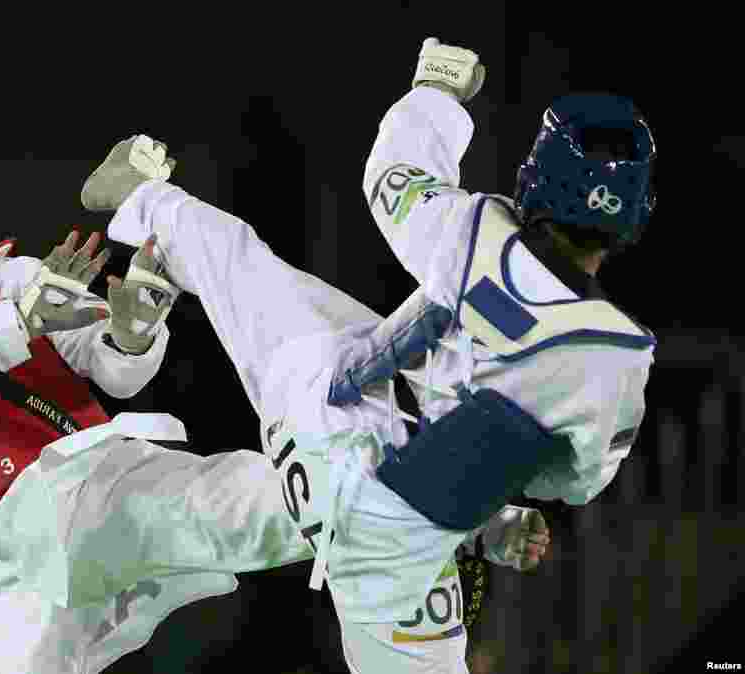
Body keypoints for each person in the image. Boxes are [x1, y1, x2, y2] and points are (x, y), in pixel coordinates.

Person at [79, 34, 652, 672]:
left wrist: (436, 91)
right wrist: (490, 504)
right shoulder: (616, 357)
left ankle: (143, 200)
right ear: (636, 215)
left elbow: (391, 177)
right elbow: (571, 482)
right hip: (382, 530)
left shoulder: (476, 233)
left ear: (536, 179)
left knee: (241, 265)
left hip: (331, 404)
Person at [0, 134, 318, 674]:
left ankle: (369, 482)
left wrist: (131, 333)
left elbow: (116, 371)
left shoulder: (5, 277)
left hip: (84, 486)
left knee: (240, 508)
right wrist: (18, 323)